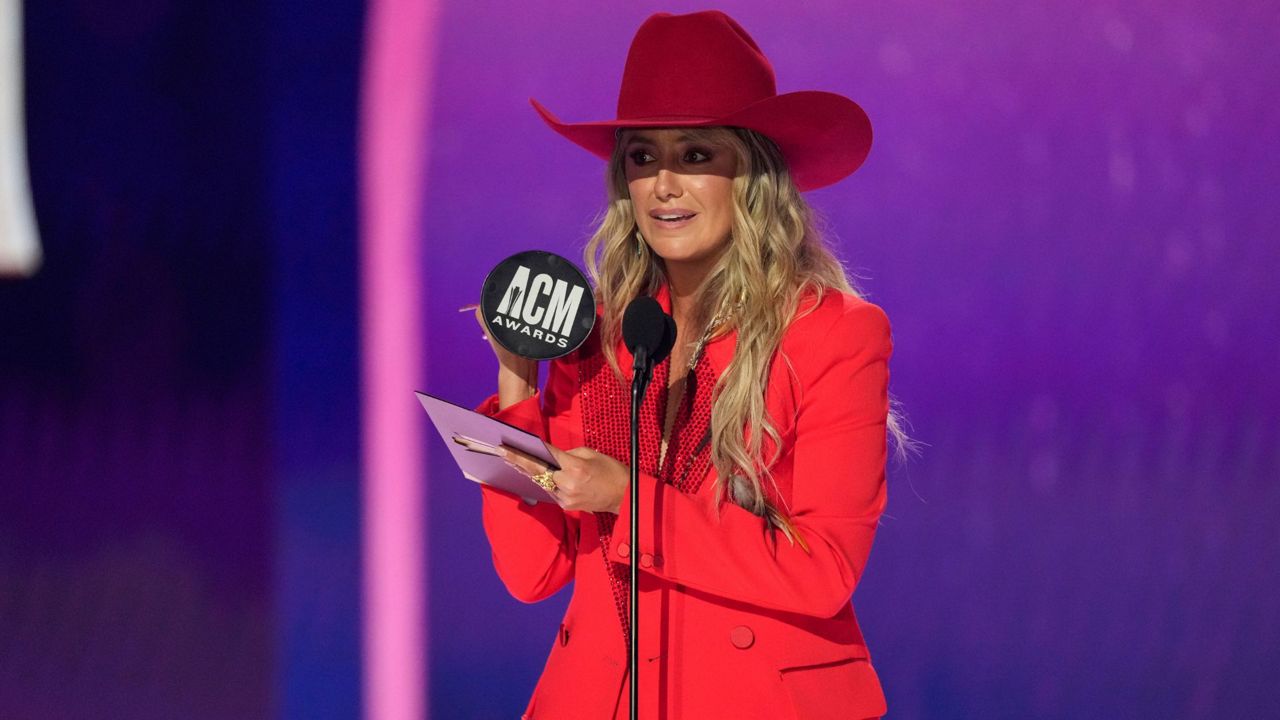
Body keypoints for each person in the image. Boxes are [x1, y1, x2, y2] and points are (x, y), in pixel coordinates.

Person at [474, 10, 902, 720]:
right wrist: (517, 388)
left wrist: (628, 499)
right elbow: (532, 572)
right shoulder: (605, 334)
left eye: (696, 156)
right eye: (643, 157)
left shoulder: (837, 335)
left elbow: (824, 569)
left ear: (753, 176)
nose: (663, 185)